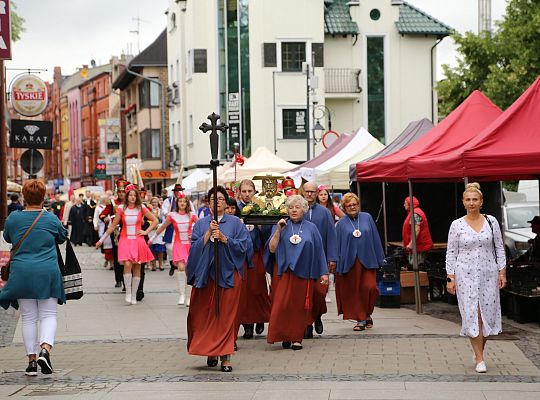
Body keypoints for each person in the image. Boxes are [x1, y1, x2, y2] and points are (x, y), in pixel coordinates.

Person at [0, 180, 68, 376]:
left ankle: (31, 362)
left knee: (28, 317)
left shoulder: (14, 218)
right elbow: (62, 237)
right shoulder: (50, 219)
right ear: (43, 197)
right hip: (47, 272)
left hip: (21, 272)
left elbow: (8, 238)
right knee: (48, 315)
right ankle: (45, 351)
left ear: (24, 197)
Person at [186, 186, 250, 372]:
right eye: (213, 200)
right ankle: (211, 350)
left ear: (226, 202)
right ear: (208, 203)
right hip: (207, 275)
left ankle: (226, 356)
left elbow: (244, 246)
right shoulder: (201, 223)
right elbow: (194, 249)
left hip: (228, 274)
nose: (217, 203)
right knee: (205, 314)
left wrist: (224, 238)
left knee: (226, 317)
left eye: (221, 199)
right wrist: (207, 235)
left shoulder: (236, 223)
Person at [446, 182, 506, 374]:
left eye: (475, 199)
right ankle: (480, 358)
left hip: (489, 274)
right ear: (463, 202)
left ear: (481, 201)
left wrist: (502, 272)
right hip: (465, 276)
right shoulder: (456, 225)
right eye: (468, 200)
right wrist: (451, 278)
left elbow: (499, 247)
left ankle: (478, 349)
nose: (471, 203)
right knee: (474, 314)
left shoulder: (492, 221)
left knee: (487, 316)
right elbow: (451, 252)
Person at [266, 195, 329, 351]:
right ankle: (282, 335)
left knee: (299, 306)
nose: (294, 210)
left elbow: (319, 251)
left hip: (304, 271)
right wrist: (278, 231)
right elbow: (272, 248)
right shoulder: (280, 225)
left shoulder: (311, 228)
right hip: (283, 271)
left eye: (297, 207)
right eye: (291, 207)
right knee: (281, 305)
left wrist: (324, 273)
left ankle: (296, 338)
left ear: (304, 209)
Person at [96, 184, 158, 305]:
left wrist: (146, 231)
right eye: (130, 195)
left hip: (138, 240)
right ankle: (128, 292)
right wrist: (101, 240)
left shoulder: (141, 208)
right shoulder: (121, 209)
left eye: (135, 195)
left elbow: (155, 220)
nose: (133, 197)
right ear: (127, 196)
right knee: (128, 264)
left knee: (137, 267)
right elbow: (112, 226)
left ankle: (134, 294)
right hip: (125, 240)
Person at [334, 193, 385, 331]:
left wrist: (381, 258)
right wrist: (335, 263)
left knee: (370, 288)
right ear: (344, 207)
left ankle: (367, 313)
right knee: (355, 291)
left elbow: (375, 237)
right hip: (349, 262)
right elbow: (337, 245)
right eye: (349, 205)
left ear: (358, 205)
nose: (352, 207)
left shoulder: (367, 217)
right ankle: (360, 319)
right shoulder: (340, 224)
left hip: (368, 259)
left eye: (354, 204)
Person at [301, 181, 337, 337]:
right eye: (307, 191)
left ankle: (318, 316)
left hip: (320, 258)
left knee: (320, 291)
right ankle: (307, 324)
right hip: (302, 259)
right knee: (305, 292)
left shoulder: (324, 213)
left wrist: (332, 258)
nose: (309, 194)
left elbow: (331, 236)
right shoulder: (298, 210)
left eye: (312, 192)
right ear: (303, 192)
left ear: (317, 193)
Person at [150, 191, 197, 305]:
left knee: (189, 270)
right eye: (180, 201)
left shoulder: (192, 215)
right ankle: (181, 295)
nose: (182, 203)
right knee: (181, 267)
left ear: (187, 203)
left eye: (184, 202)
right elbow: (162, 227)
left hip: (190, 245)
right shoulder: (172, 215)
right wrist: (152, 238)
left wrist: (196, 235)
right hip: (178, 244)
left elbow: (201, 227)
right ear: (177, 203)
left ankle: (188, 297)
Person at [402, 196, 433, 267]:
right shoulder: (413, 212)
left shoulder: (415, 214)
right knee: (414, 266)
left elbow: (417, 230)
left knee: (416, 266)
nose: (404, 205)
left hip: (419, 245)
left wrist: (411, 244)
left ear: (410, 204)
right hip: (417, 245)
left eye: (405, 203)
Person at [148, 197, 166, 271]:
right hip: (151, 231)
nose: (154, 204)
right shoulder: (149, 211)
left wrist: (159, 226)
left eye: (155, 202)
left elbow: (164, 221)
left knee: (160, 249)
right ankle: (154, 265)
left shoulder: (161, 211)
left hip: (159, 230)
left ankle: (161, 264)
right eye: (153, 202)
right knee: (153, 249)